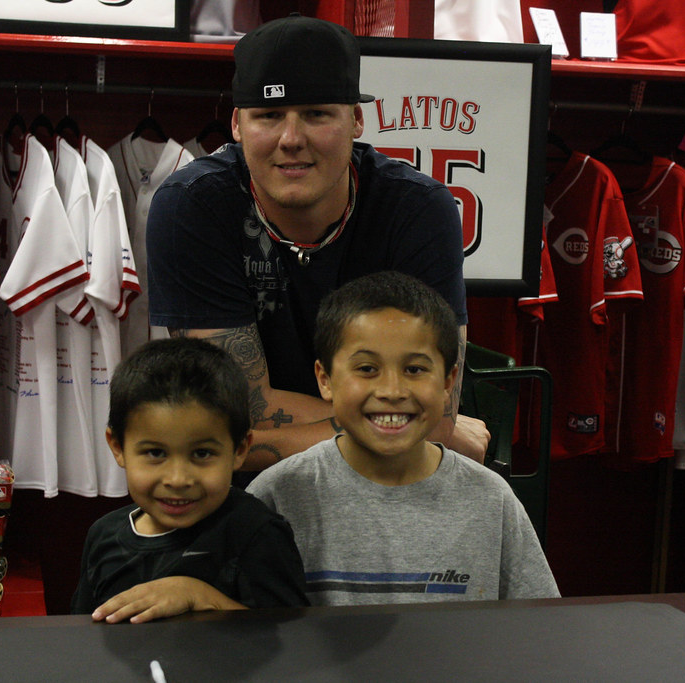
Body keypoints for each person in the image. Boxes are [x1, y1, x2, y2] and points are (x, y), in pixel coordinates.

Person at [145, 13, 490, 470]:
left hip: (392, 485)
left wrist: (432, 426)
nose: (291, 139)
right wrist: (406, 424)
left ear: (356, 120)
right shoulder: (192, 206)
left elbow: (437, 414)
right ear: (236, 124)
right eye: (269, 115)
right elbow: (226, 419)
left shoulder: (419, 209)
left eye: (316, 114)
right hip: (243, 500)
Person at [247, 271, 559, 605]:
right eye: (367, 369)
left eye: (414, 369)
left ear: (448, 381)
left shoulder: (491, 501)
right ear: (325, 379)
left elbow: (538, 630)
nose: (392, 391)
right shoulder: (276, 495)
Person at [71, 337, 309, 622]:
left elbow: (293, 637)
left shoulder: (256, 532)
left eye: (202, 453)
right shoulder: (103, 535)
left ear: (239, 449)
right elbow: (84, 634)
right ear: (118, 447)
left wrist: (199, 596)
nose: (178, 479)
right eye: (156, 453)